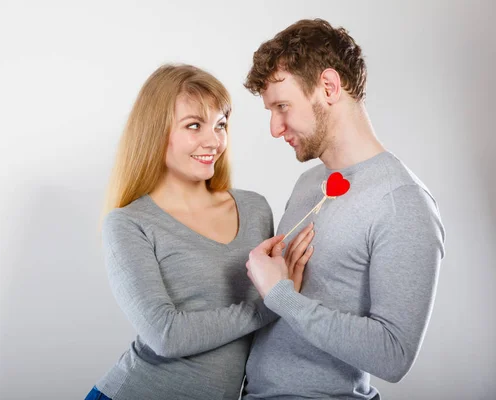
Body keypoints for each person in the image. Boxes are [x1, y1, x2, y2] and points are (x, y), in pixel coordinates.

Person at [84, 64, 314, 400]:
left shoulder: (254, 209)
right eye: (194, 125)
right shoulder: (128, 223)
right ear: (155, 131)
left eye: (220, 124)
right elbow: (166, 335)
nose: (214, 141)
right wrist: (271, 303)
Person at [243, 19, 445, 399]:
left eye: (282, 106)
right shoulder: (308, 183)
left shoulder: (402, 202)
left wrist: (281, 296)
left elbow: (394, 355)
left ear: (329, 87)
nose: (274, 127)